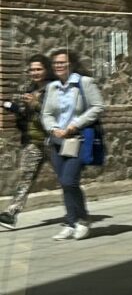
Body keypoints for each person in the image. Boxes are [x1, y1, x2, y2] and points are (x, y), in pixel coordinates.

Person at [42, 50, 105, 240]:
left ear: (72, 64)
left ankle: (83, 219)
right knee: (65, 183)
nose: (59, 66)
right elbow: (46, 114)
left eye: (63, 63)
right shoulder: (52, 87)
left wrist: (74, 125)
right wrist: (53, 129)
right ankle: (71, 223)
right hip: (57, 141)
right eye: (55, 63)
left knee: (69, 180)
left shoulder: (84, 83)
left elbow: (98, 107)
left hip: (78, 139)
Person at [0, 54, 51, 229]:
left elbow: (56, 113)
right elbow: (22, 110)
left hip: (54, 141)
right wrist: (11, 107)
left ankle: (78, 213)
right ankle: (11, 213)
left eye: (39, 69)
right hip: (33, 141)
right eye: (32, 69)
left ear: (46, 69)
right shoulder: (27, 88)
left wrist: (37, 104)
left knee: (68, 180)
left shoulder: (54, 89)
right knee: (26, 177)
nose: (35, 72)